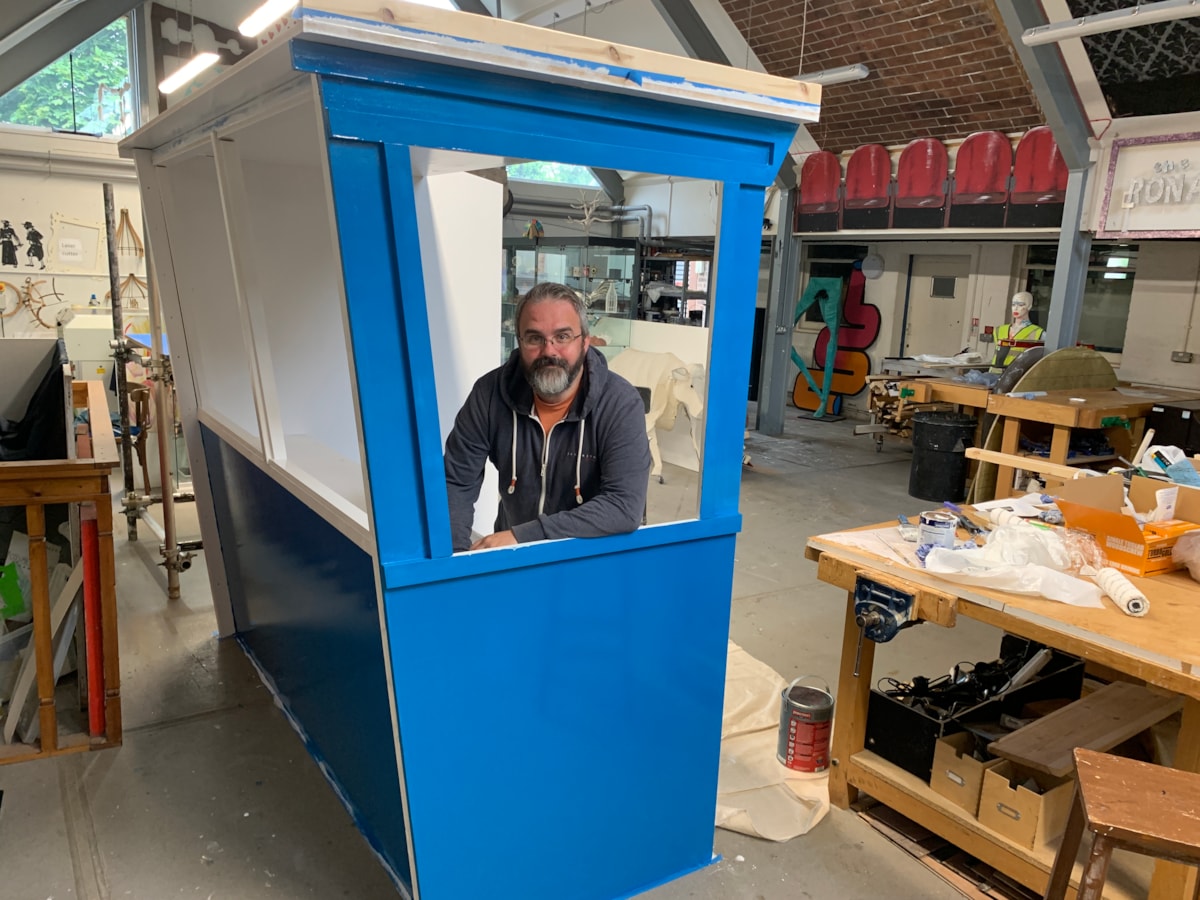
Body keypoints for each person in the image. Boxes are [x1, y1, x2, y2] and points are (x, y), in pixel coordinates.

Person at [444, 281, 651, 552]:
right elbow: (457, 482)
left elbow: (623, 506)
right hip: (516, 558)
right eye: (535, 338)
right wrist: (452, 563)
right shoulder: (489, 395)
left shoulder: (619, 404)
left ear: (585, 342)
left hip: (590, 558)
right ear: (519, 342)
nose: (549, 351)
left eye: (563, 336)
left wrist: (525, 535)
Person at [991, 291, 1044, 370]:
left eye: (1020, 305)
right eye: (1013, 304)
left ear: (1029, 306)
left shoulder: (1038, 332)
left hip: (1018, 376)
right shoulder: (999, 330)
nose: (1016, 308)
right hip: (994, 374)